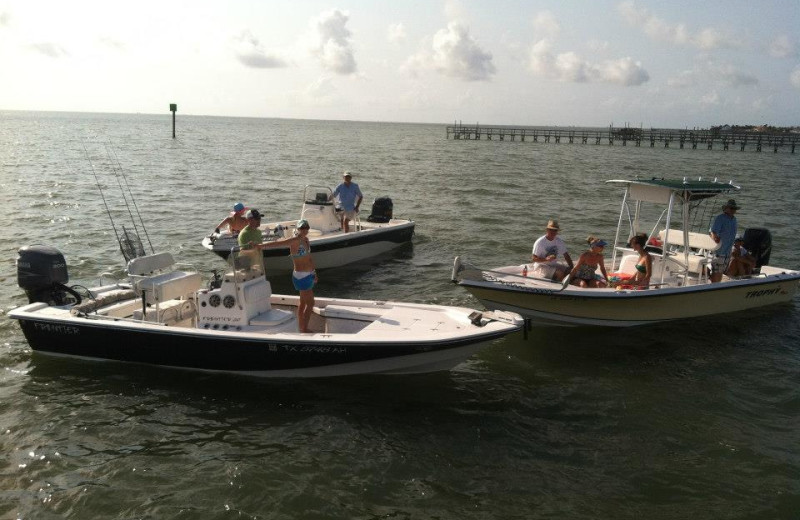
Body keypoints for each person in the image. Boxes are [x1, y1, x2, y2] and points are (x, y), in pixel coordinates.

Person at [256, 219, 318, 333]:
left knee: (303, 302)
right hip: (301, 276)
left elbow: (309, 258)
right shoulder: (294, 240)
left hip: (308, 275)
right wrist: (260, 246)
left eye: (306, 227)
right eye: (302, 228)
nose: (304, 230)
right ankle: (304, 329)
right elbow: (277, 244)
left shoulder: (306, 240)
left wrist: (314, 272)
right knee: (310, 304)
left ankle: (301, 327)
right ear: (298, 229)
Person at [709, 198, 739, 282]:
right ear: (726, 208)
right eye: (731, 208)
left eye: (734, 209)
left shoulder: (734, 220)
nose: (733, 210)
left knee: (721, 271)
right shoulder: (720, 218)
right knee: (717, 271)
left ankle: (716, 286)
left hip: (727, 251)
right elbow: (713, 231)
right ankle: (713, 288)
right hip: (719, 251)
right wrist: (715, 238)